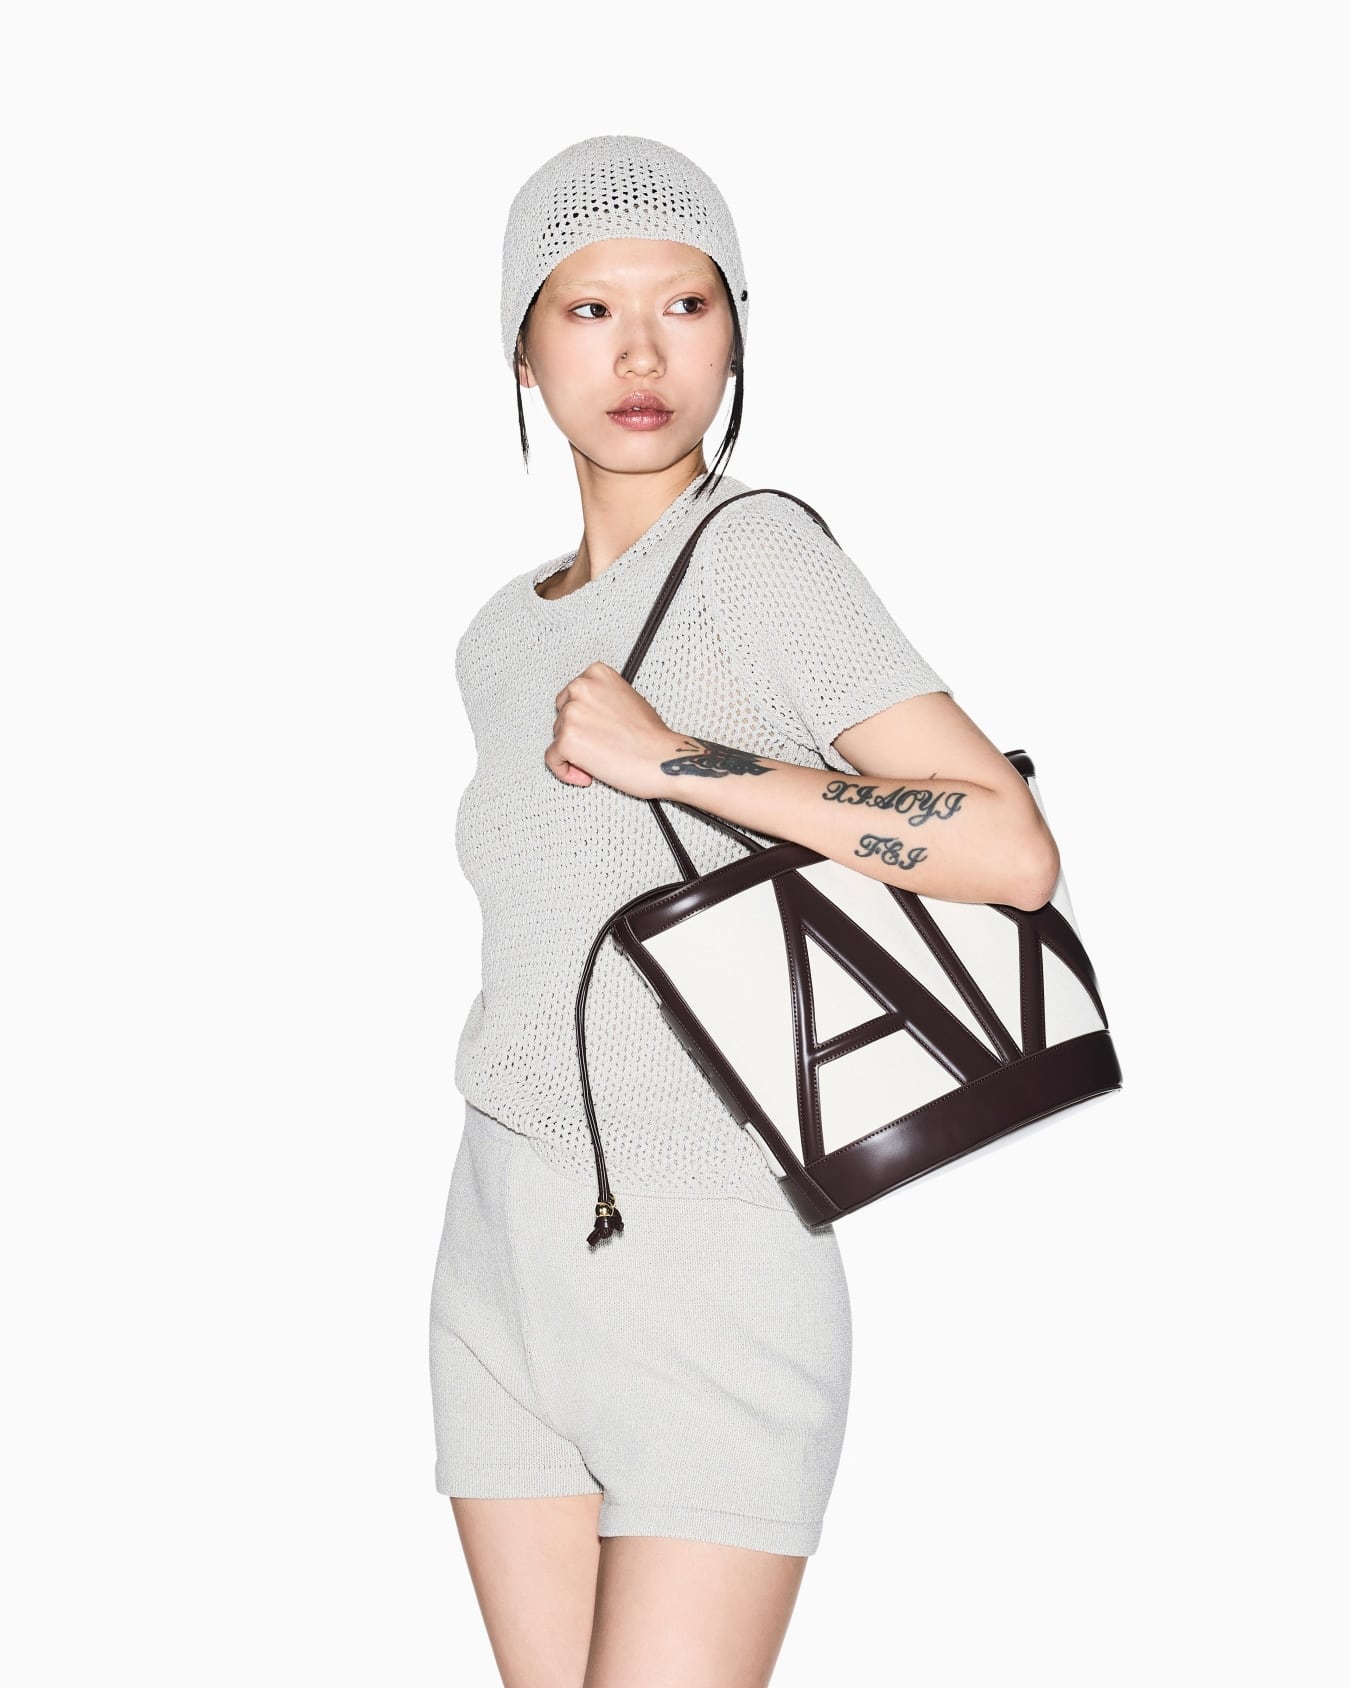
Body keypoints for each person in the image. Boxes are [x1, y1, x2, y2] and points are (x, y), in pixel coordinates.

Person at [428, 134, 1060, 1687]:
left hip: (708, 1259)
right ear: (521, 347)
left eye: (685, 304)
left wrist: (678, 760)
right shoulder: (498, 639)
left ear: (734, 334)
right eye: (587, 309)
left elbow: (1008, 848)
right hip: (497, 1254)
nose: (640, 354)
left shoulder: (755, 558)